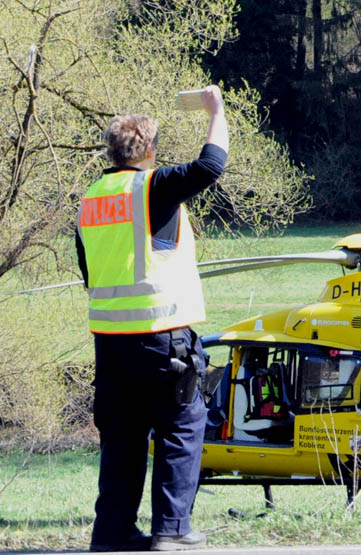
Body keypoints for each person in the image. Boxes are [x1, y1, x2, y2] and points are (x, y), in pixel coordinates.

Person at [77, 87, 228, 552]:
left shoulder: (91, 198)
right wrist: (216, 111)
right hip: (163, 336)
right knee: (182, 425)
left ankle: (113, 531)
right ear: (149, 152)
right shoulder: (152, 187)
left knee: (121, 438)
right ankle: (172, 529)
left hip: (110, 341)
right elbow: (211, 165)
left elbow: (88, 271)